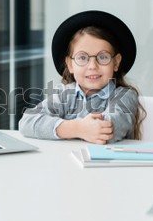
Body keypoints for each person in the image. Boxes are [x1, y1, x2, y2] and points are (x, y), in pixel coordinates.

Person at [19, 10, 144, 144]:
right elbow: (26, 122)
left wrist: (66, 128)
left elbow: (106, 131)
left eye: (102, 57)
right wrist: (78, 128)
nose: (92, 66)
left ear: (116, 62)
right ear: (70, 64)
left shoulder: (124, 96)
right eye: (82, 57)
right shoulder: (64, 94)